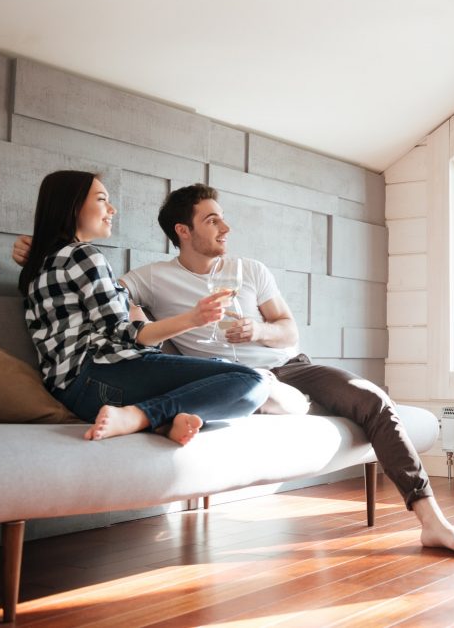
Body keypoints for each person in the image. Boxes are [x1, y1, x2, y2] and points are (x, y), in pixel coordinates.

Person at [14, 183, 454, 554]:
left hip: (290, 366)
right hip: (218, 376)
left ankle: (430, 520)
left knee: (372, 399)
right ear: (182, 230)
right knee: (265, 392)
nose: (226, 227)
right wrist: (36, 251)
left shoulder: (251, 270)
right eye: (212, 219)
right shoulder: (152, 279)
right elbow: (102, 300)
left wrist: (257, 332)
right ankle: (278, 405)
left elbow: (289, 332)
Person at [18, 171, 271, 447]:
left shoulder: (35, 269)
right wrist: (193, 318)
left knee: (220, 371)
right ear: (73, 205)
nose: (112, 209)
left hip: (73, 395)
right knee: (251, 381)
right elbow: (121, 333)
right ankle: (141, 416)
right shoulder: (84, 255)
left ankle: (163, 422)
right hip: (103, 373)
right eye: (102, 200)